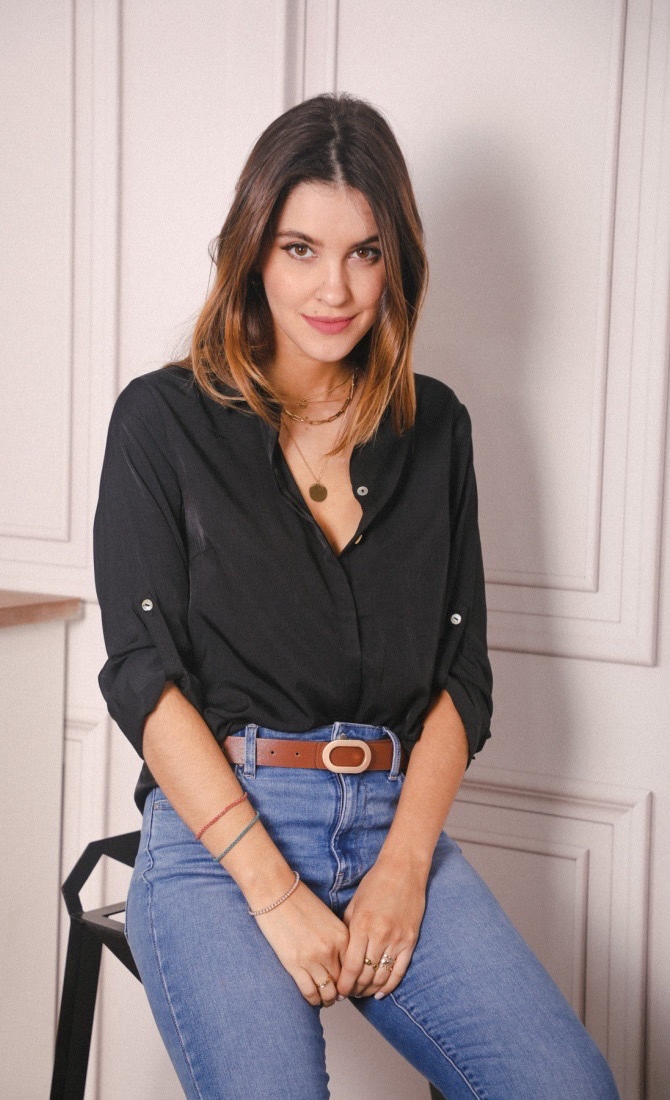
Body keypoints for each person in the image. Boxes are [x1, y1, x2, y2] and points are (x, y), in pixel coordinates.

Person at [94, 94, 618, 1099]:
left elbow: (461, 679)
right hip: (218, 843)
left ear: (395, 263)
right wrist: (273, 889)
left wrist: (403, 867)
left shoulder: (437, 429)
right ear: (254, 252)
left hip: (390, 822)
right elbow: (143, 681)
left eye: (363, 252)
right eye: (300, 249)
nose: (333, 287)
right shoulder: (161, 422)